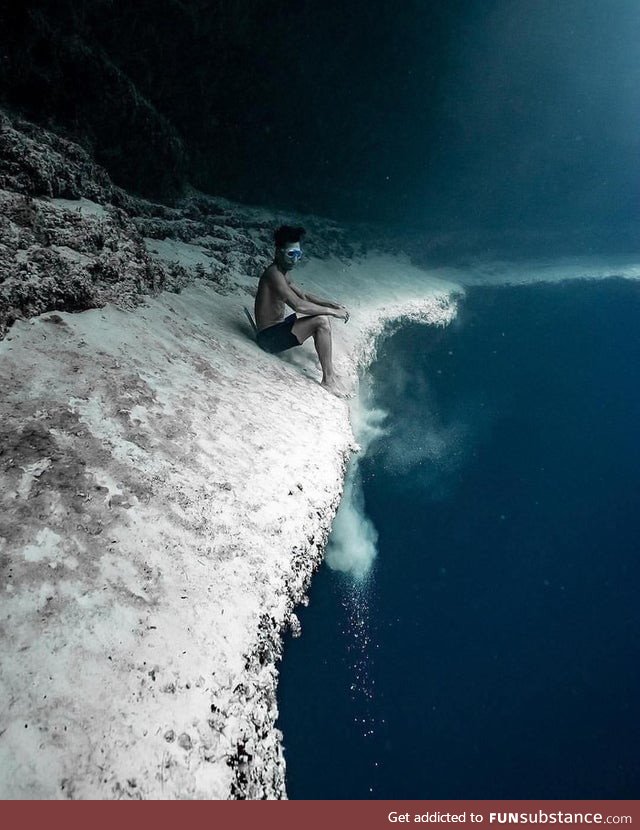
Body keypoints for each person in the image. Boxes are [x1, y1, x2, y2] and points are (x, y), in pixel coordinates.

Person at [254, 225, 350, 395]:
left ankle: (331, 374)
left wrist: (333, 304)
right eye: (291, 254)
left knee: (320, 316)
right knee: (321, 321)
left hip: (277, 328)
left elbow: (304, 296)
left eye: (298, 254)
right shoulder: (273, 274)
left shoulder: (283, 273)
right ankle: (328, 381)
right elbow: (298, 305)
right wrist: (332, 312)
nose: (295, 259)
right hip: (268, 339)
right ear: (278, 252)